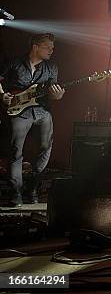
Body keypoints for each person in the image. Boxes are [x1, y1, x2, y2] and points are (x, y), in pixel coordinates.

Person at [0, 33, 65, 207]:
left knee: (46, 148)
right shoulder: (14, 63)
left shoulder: (51, 68)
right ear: (35, 46)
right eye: (48, 47)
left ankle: (33, 189)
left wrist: (57, 95)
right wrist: (2, 96)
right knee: (16, 152)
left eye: (53, 47)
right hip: (19, 111)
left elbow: (53, 92)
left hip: (42, 111)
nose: (52, 50)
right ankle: (16, 194)